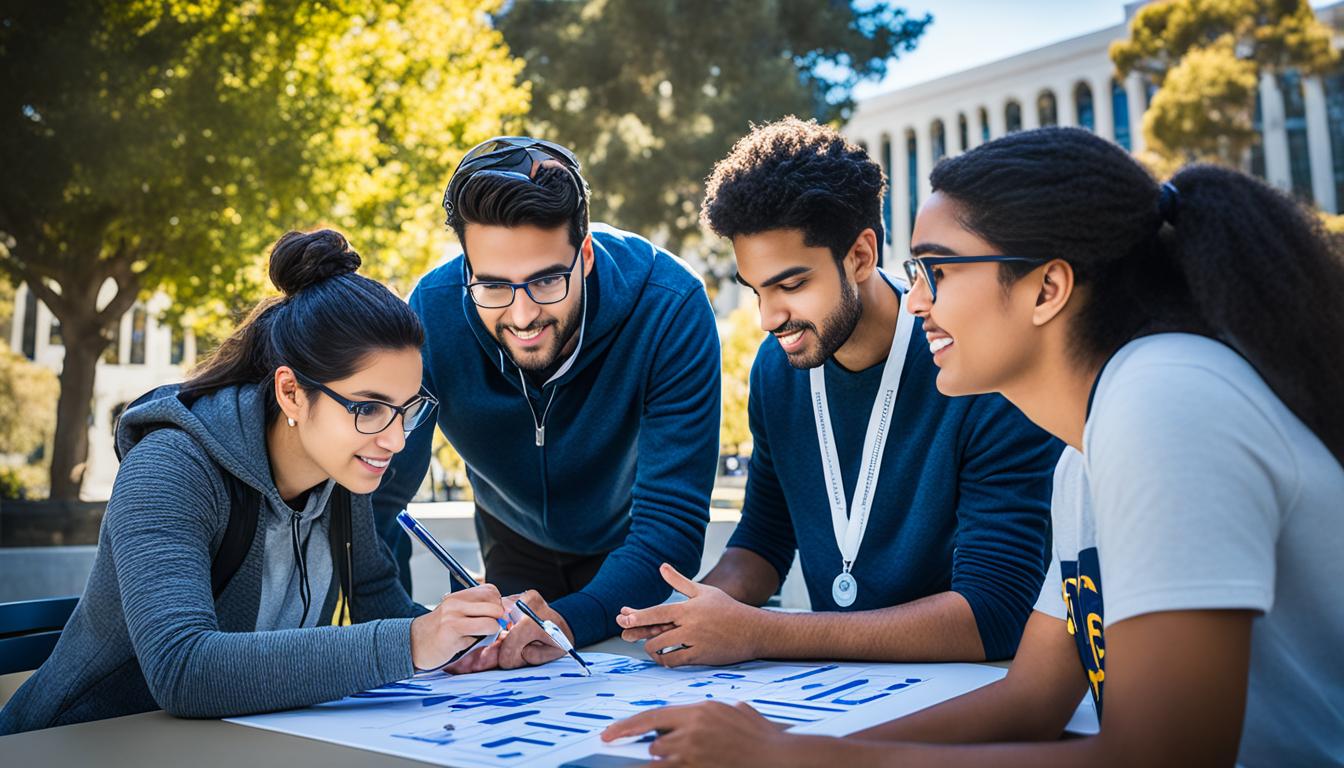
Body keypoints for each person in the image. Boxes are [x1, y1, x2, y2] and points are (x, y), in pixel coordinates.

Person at [601, 127, 1344, 766]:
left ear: (1047, 288)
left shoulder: (1166, 398)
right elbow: (1028, 701)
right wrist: (782, 744)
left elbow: (1160, 757)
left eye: (939, 271)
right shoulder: (1088, 452)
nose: (916, 296)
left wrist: (797, 756)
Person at [0, 230, 506, 735]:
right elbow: (183, 669)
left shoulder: (339, 475)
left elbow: (379, 599)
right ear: (290, 392)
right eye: (369, 408)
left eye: (406, 410)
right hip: (76, 744)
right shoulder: (170, 468)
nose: (395, 440)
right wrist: (413, 642)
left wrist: (479, 642)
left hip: (227, 742)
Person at [616, 118, 1060, 668]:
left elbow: (994, 612)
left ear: (860, 256)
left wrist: (763, 633)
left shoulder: (977, 368)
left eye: (792, 285)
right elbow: (763, 539)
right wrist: (690, 611)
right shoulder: (777, 370)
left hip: (966, 690)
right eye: (756, 290)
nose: (767, 318)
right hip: (834, 694)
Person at [371, 136, 721, 668]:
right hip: (511, 544)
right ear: (466, 268)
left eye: (545, 281)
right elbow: (376, 496)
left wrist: (572, 619)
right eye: (492, 285)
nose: (522, 314)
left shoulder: (670, 307)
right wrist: (401, 628)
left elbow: (671, 518)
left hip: (633, 554)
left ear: (584, 255)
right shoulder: (432, 315)